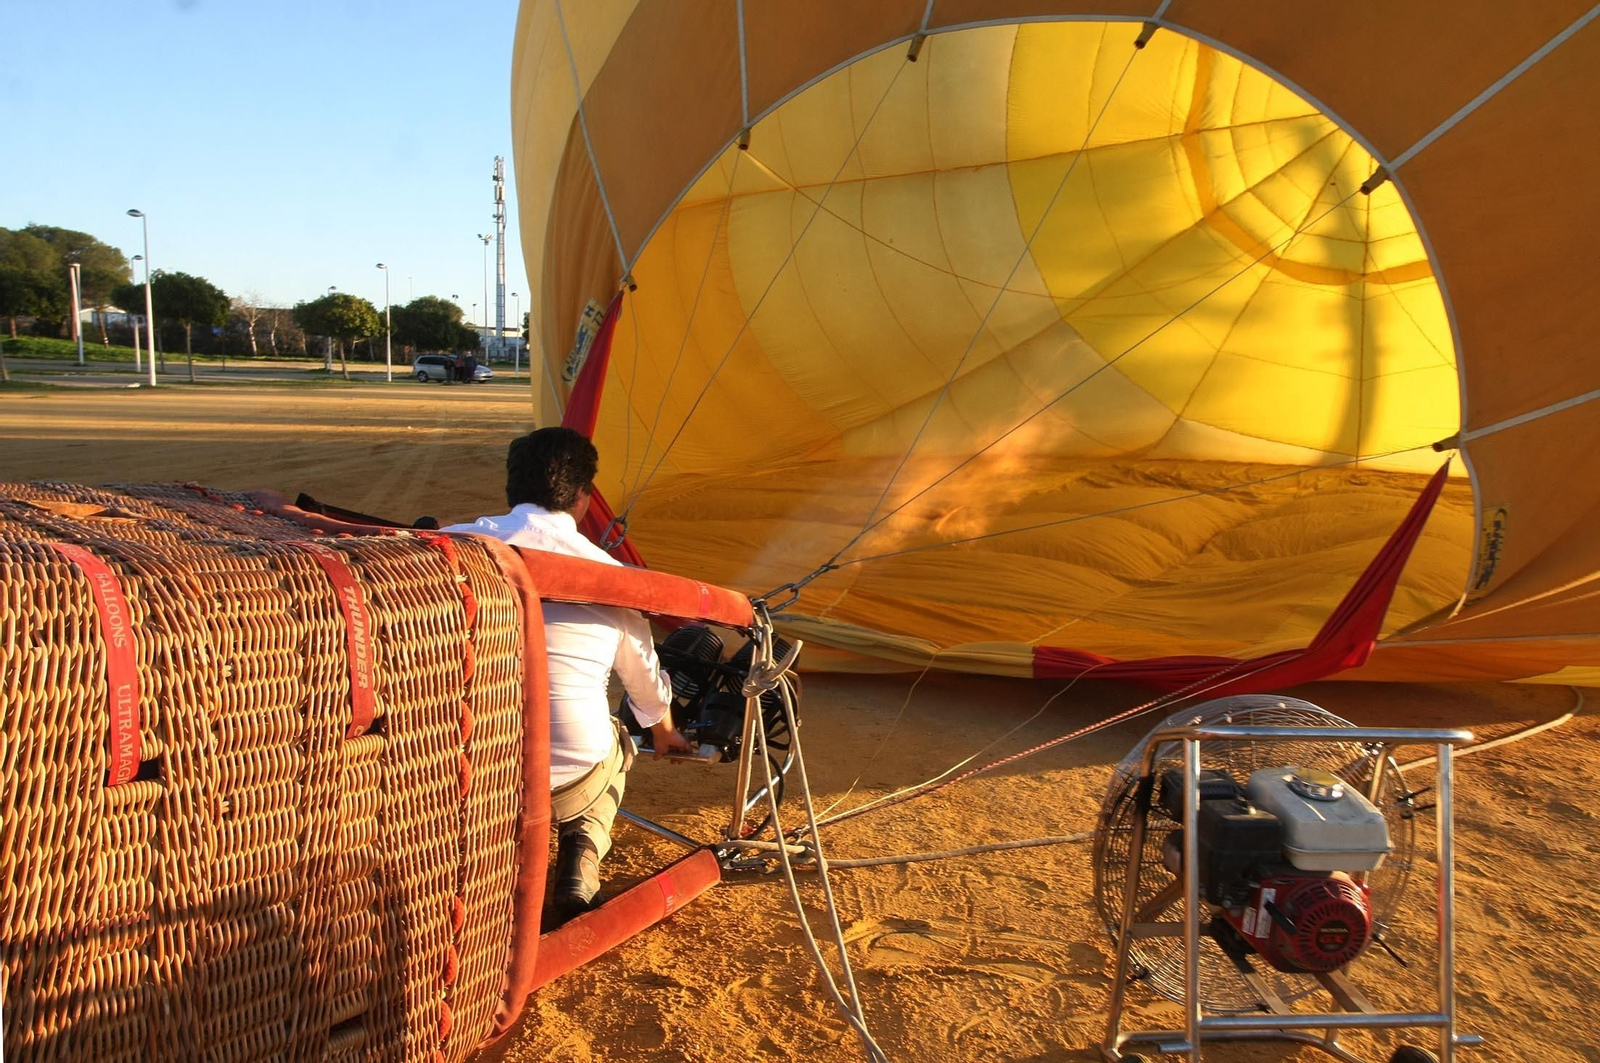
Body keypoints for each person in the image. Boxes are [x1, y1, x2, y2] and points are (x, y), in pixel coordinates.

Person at [443, 427, 692, 921]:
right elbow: (645, 687)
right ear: (582, 497)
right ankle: (580, 855)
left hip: (454, 770)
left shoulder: (441, 549)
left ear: (511, 488)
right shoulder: (613, 579)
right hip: (561, 778)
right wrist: (663, 734)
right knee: (616, 741)